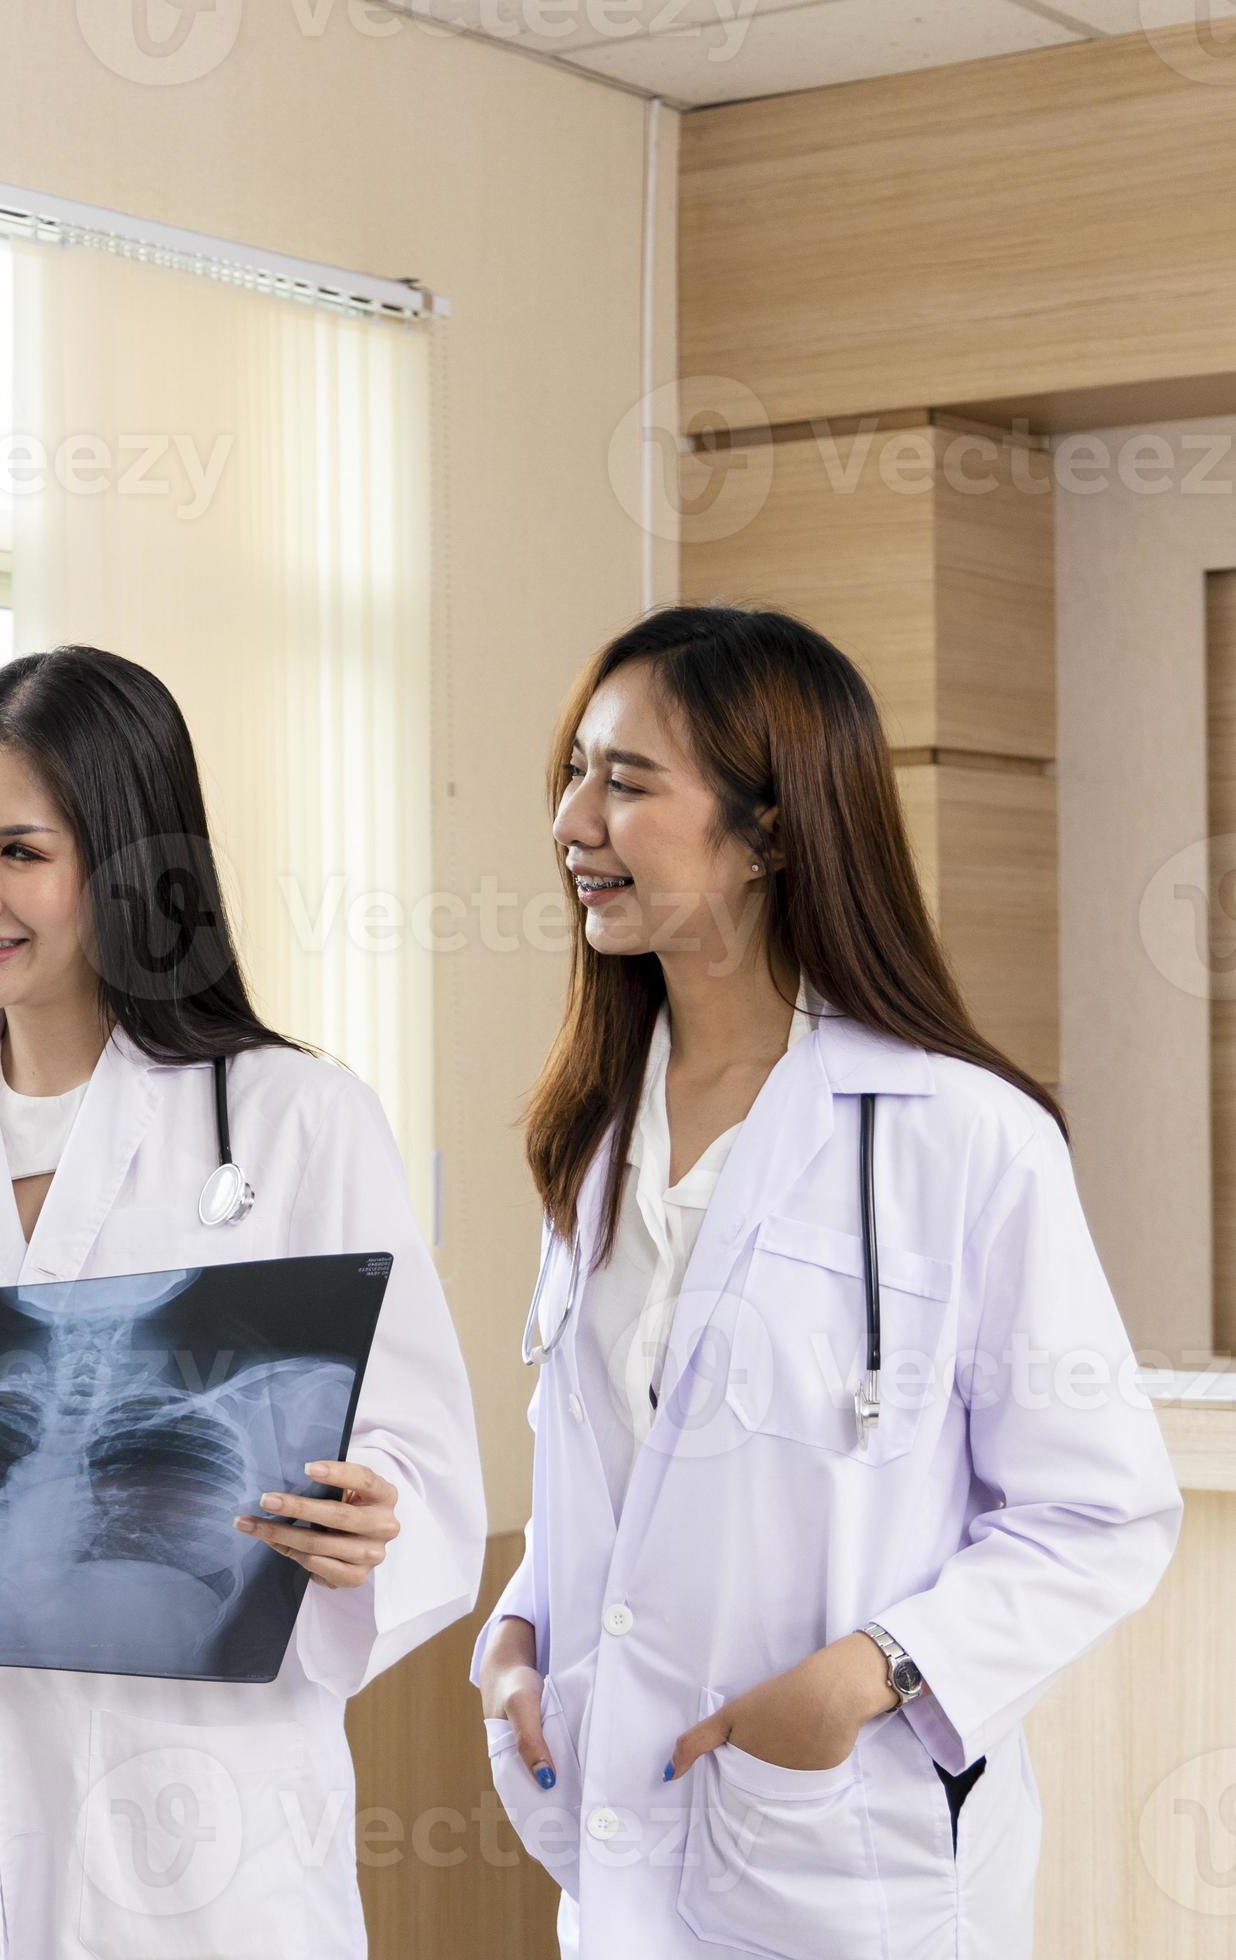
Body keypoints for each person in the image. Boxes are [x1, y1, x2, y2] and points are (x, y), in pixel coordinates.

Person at [474, 605, 1183, 1958]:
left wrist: (865, 1679)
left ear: (771, 828)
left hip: (845, 1867)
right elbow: (610, 1479)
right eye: (573, 771)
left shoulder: (961, 1137)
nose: (573, 820)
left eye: (625, 781)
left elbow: (1100, 1510)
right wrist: (512, 1643)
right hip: (617, 1859)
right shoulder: (597, 1135)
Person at [0, 645, 485, 1960]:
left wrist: (374, 1516)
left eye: (22, 852)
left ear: (128, 872)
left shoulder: (294, 1122)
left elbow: (429, 1459)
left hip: (216, 1857)